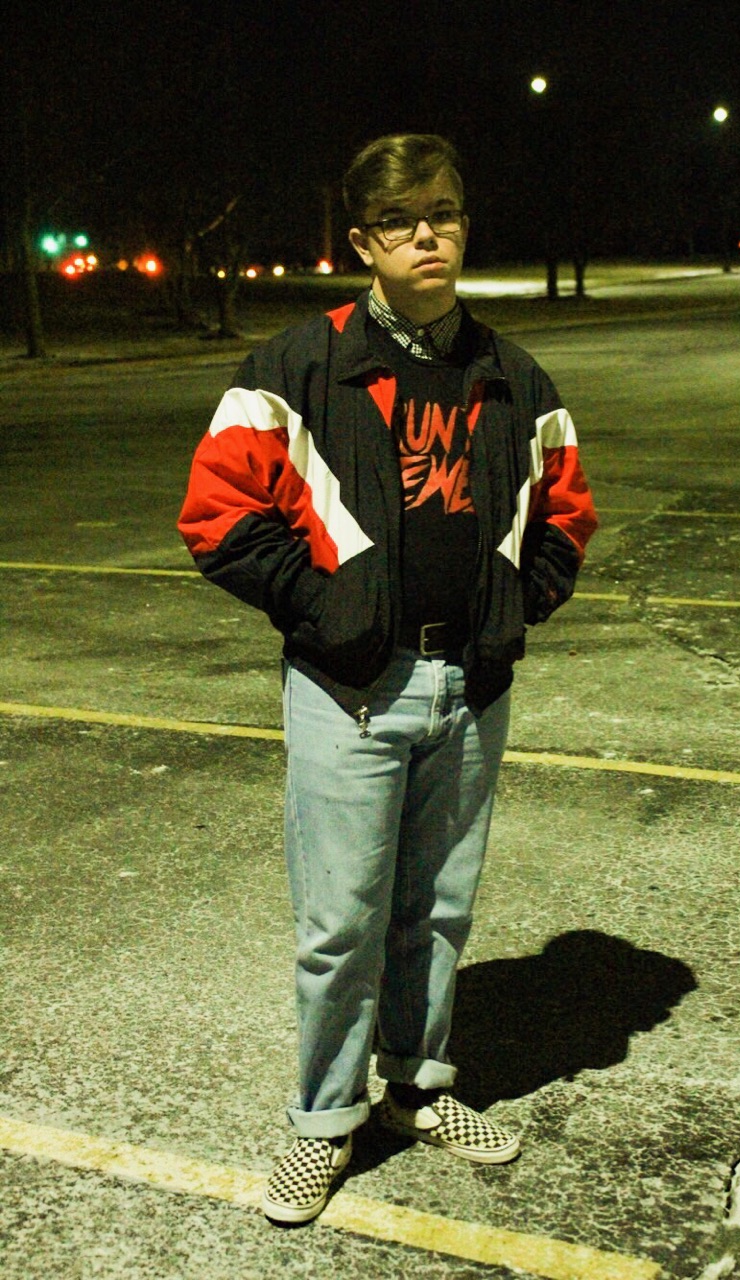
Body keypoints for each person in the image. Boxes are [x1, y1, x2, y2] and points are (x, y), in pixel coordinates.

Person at [177, 133, 597, 1225]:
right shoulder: (295, 368)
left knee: (438, 911)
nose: (428, 236)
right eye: (403, 220)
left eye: (443, 214)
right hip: (350, 690)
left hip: (470, 687)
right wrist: (330, 613)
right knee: (340, 924)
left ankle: (416, 1087)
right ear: (364, 241)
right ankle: (324, 1122)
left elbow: (565, 512)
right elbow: (217, 516)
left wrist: (511, 611)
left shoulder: (513, 374)